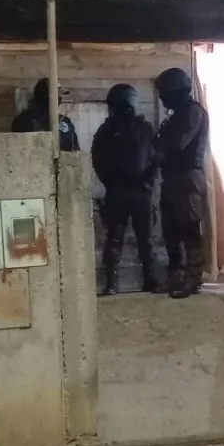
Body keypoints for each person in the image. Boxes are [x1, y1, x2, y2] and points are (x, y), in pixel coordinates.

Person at [91, 84, 159, 296]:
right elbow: (155, 159)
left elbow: (98, 161)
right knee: (137, 238)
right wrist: (148, 182)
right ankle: (144, 279)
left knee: (121, 238)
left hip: (125, 191)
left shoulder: (110, 130)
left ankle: (119, 282)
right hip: (133, 191)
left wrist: (111, 183)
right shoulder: (139, 128)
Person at [154, 66, 209, 298]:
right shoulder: (177, 115)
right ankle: (176, 276)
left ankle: (193, 278)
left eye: (164, 93)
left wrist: (158, 148)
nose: (161, 97)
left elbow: (177, 144)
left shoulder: (193, 112)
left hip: (187, 176)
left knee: (188, 227)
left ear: (175, 91)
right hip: (173, 178)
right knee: (170, 230)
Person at [11, 78, 79, 151]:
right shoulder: (23, 120)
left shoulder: (65, 121)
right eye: (56, 94)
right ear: (44, 95)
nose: (59, 98)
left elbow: (75, 150)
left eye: (59, 95)